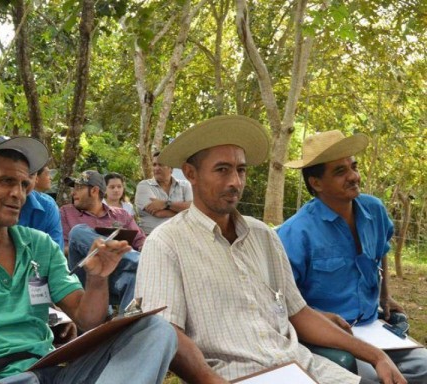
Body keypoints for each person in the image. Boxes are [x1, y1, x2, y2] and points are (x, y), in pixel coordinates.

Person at [135, 115, 406, 384]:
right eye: (222, 170)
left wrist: (375, 355)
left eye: (240, 170)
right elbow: (167, 332)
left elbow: (297, 312)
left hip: (306, 369)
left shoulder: (263, 235)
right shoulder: (166, 244)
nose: (235, 182)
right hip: (233, 376)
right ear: (191, 173)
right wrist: (209, 379)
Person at [0, 136, 177, 384]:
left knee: (156, 331)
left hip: (49, 371)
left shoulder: (38, 245)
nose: (18, 194)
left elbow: (87, 319)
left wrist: (97, 279)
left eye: (23, 183)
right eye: (6, 181)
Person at [277, 130, 427, 383]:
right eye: (340, 171)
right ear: (316, 183)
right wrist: (320, 317)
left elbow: (381, 252)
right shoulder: (296, 232)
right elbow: (280, 301)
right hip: (328, 337)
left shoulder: (374, 210)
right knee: (376, 379)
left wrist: (385, 296)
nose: (354, 176)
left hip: (374, 329)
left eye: (353, 167)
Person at [60, 170, 146, 311]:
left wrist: (137, 248)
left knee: (134, 278)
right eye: (73, 188)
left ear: (94, 191)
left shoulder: (121, 215)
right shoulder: (66, 212)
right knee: (78, 232)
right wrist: (97, 249)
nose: (73, 193)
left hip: (116, 275)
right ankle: (141, 262)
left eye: (78, 188)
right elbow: (60, 250)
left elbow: (141, 241)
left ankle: (128, 327)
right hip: (84, 275)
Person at [135, 151, 192, 234]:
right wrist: (185, 213)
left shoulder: (185, 185)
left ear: (171, 168)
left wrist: (166, 204)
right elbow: (159, 213)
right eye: (154, 165)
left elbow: (193, 209)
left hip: (181, 235)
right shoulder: (144, 186)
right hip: (152, 236)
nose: (156, 168)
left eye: (161, 164)